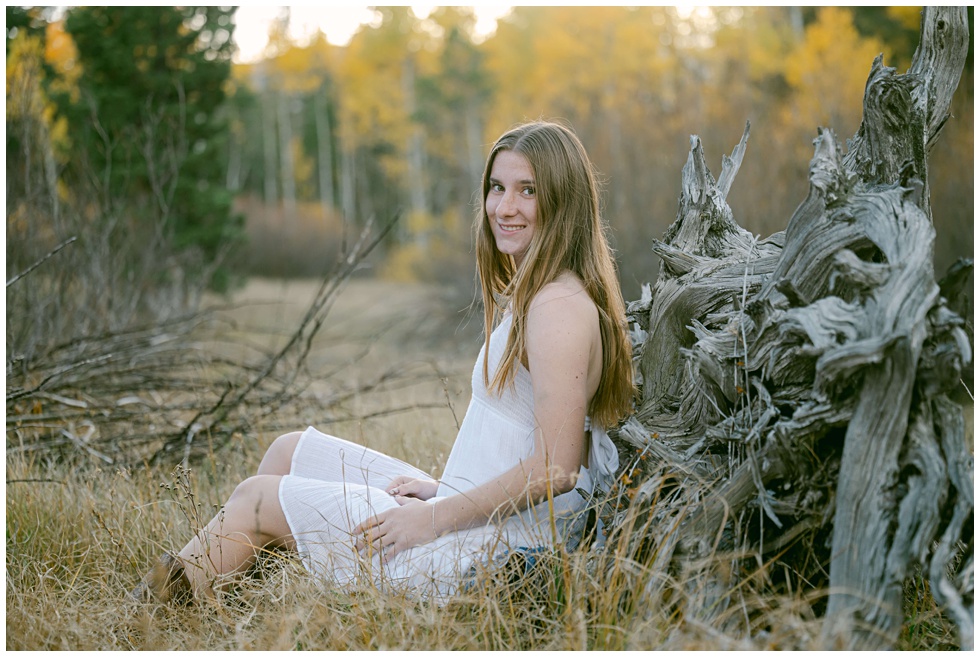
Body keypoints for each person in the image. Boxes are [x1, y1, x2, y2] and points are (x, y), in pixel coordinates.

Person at [132, 120, 635, 604]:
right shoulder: (542, 294)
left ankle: (143, 623)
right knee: (289, 451)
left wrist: (430, 518)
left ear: (563, 201)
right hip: (472, 513)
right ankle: (233, 591)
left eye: (528, 190)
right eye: (497, 187)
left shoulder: (557, 308)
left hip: (487, 551)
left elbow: (556, 469)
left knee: (255, 497)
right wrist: (440, 489)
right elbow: (521, 437)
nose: (504, 207)